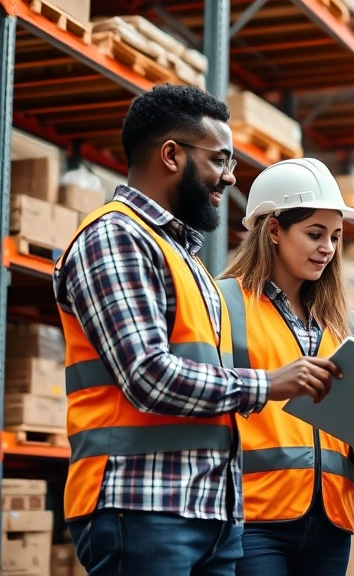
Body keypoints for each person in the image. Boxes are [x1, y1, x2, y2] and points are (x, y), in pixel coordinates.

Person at [52, 85, 335, 576]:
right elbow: (148, 376)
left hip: (209, 512)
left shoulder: (187, 259)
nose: (229, 177)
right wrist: (269, 384)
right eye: (220, 160)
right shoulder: (116, 236)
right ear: (170, 154)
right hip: (140, 502)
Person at [215, 158, 354, 575]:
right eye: (315, 233)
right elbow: (207, 393)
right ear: (273, 230)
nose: (328, 247)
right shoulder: (225, 304)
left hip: (331, 520)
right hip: (254, 516)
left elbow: (347, 435)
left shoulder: (350, 326)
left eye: (336, 236)